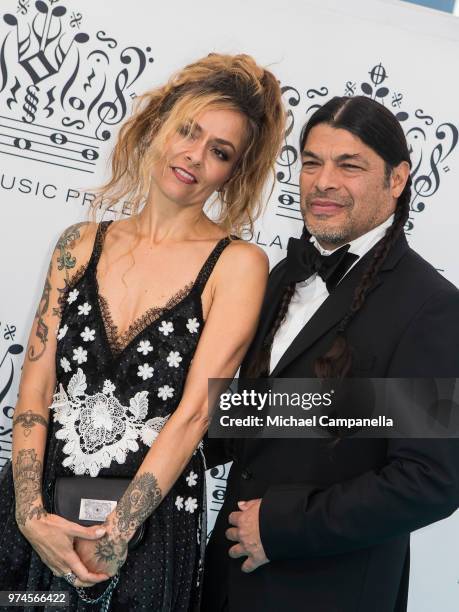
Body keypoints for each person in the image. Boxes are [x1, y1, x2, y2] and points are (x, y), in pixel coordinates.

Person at [0, 53, 285, 610]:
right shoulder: (77, 243)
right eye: (188, 131)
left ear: (234, 172)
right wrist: (30, 515)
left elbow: (197, 414)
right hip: (39, 508)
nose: (194, 156)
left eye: (220, 152)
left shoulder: (238, 264)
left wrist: (117, 533)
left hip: (143, 528)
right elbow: (34, 388)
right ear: (158, 125)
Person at [202, 95, 459, 612]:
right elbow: (261, 418)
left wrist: (280, 526)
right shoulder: (280, 275)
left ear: (397, 178)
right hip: (227, 584)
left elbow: (430, 479)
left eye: (350, 165)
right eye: (313, 162)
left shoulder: (431, 307)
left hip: (328, 591)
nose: (323, 181)